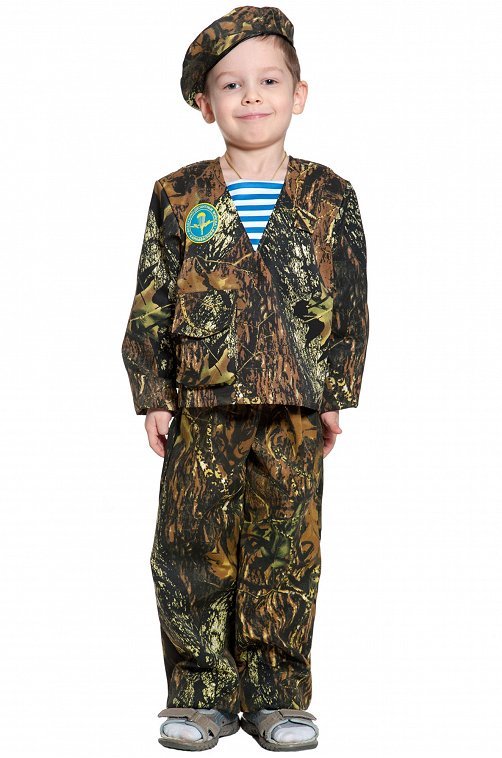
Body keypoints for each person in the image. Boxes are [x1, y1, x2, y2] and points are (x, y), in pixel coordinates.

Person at [121, 5, 369, 752]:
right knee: (192, 546)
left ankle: (276, 693)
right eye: (231, 85)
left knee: (286, 548)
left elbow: (350, 301)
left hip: (294, 404)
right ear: (206, 104)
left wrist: (335, 394)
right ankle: (200, 694)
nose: (251, 96)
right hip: (204, 401)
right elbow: (151, 300)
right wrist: (154, 395)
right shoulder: (179, 194)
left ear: (299, 94)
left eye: (269, 81)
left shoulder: (330, 195)